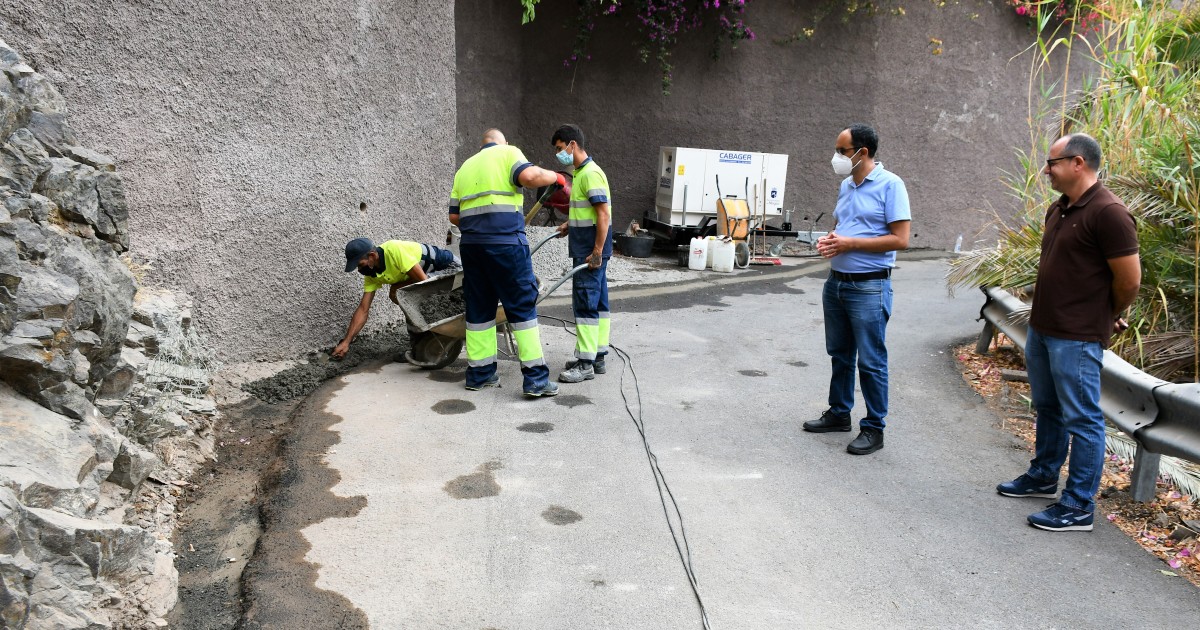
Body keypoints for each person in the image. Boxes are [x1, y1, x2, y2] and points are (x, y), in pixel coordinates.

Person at [997, 133, 1140, 532]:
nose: (1046, 170)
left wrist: (1107, 311)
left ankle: (1078, 506)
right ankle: (1043, 476)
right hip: (1044, 329)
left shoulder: (1110, 213)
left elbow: (1129, 280)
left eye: (1052, 162)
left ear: (1078, 164)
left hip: (1076, 336)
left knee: (1083, 419)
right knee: (1049, 408)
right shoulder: (1059, 209)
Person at [803, 123, 911, 456]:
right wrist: (831, 240)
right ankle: (839, 413)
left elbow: (901, 239)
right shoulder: (847, 185)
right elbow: (843, 227)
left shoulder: (891, 185)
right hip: (837, 283)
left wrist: (850, 243)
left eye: (841, 151)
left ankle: (874, 428)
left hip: (869, 286)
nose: (836, 157)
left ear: (862, 152)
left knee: (871, 362)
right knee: (840, 354)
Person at [450, 128, 565, 396]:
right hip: (504, 244)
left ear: (483, 144)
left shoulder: (464, 168)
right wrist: (557, 176)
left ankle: (480, 374)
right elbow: (530, 176)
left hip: (472, 247)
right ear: (503, 143)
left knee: (480, 308)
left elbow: (454, 217)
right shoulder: (508, 153)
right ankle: (536, 379)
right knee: (521, 305)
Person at [550, 124, 613, 384]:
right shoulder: (583, 173)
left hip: (590, 252)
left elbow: (603, 214)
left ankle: (585, 364)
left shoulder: (589, 175)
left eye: (559, 148)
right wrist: (569, 224)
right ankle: (597, 356)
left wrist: (597, 251)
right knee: (598, 302)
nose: (558, 154)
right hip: (590, 247)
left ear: (572, 145)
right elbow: (588, 211)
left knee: (585, 303)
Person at [332, 238, 460, 359]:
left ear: (372, 256)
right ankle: (418, 346)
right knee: (401, 295)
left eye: (360, 264)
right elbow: (363, 309)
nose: (359, 269)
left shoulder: (394, 250)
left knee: (400, 293)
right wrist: (346, 342)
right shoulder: (372, 274)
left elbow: (425, 285)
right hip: (430, 277)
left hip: (452, 270)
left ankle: (434, 337)